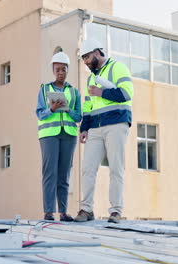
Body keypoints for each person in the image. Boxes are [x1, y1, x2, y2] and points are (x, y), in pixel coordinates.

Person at [74, 39, 133, 224]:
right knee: (88, 169)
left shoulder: (118, 68)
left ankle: (116, 211)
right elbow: (88, 106)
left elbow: (126, 94)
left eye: (87, 57)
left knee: (116, 168)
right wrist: (84, 128)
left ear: (98, 52)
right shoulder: (91, 78)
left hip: (117, 122)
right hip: (95, 128)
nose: (85, 62)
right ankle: (86, 209)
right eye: (83, 58)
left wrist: (102, 93)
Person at [36, 51, 82, 221]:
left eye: (63, 69)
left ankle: (63, 212)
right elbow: (40, 114)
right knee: (50, 173)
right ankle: (48, 212)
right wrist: (53, 109)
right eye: (57, 69)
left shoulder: (74, 92)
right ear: (53, 70)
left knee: (64, 174)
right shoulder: (44, 89)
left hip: (69, 135)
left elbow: (78, 117)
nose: (60, 72)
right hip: (49, 136)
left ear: (67, 70)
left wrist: (68, 109)